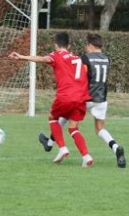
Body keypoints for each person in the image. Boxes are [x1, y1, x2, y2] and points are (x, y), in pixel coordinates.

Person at [38, 33, 126, 168]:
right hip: (101, 98)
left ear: (91, 45)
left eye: (87, 45)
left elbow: (79, 74)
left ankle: (51, 144)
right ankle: (116, 147)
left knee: (64, 119)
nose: (86, 48)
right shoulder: (106, 58)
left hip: (86, 97)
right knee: (100, 129)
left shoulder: (86, 58)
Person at [9, 32, 94, 167]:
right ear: (68, 45)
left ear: (56, 45)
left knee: (52, 118)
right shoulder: (78, 58)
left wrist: (21, 57)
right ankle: (86, 156)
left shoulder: (56, 55)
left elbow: (42, 59)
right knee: (73, 128)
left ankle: (62, 148)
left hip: (65, 96)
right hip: (81, 98)